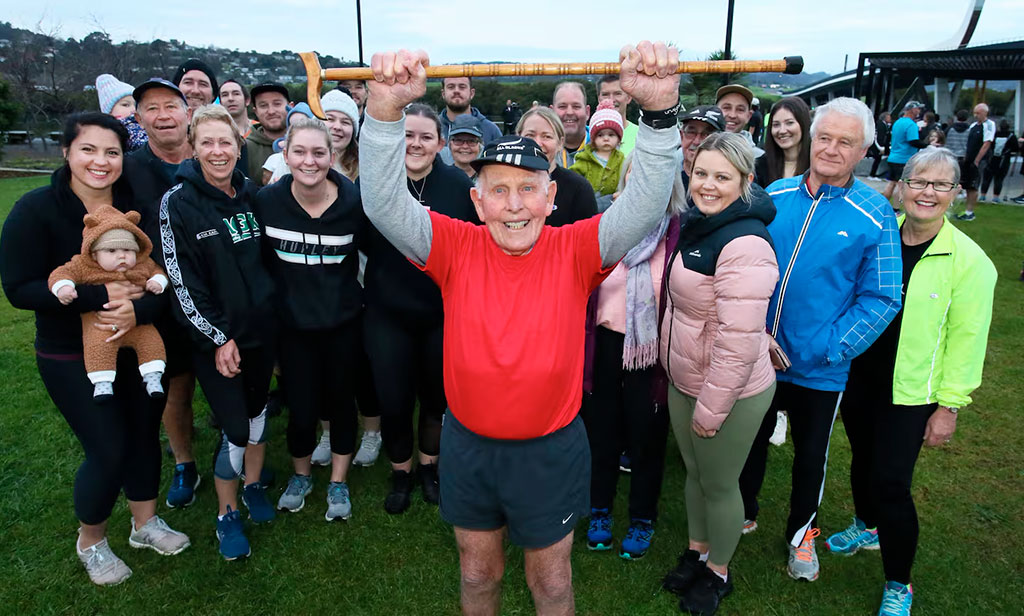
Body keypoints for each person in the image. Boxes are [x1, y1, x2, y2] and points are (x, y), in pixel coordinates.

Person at [359, 41, 680, 615]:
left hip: (549, 450)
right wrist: (384, 112)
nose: (513, 205)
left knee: (552, 582)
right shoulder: (454, 245)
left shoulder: (578, 248)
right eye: (499, 191)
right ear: (477, 201)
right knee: (478, 574)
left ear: (550, 197)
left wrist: (657, 115)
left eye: (528, 189)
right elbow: (384, 204)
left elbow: (646, 203)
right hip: (468, 445)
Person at [0, 112, 190, 586]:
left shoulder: (139, 211)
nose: (100, 161)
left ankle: (144, 523)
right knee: (107, 447)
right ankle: (92, 539)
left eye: (111, 152)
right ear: (66, 152)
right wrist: (100, 297)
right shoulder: (37, 209)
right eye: (88, 149)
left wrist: (138, 312)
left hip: (141, 347)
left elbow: (166, 281)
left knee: (145, 432)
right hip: (71, 352)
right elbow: (19, 288)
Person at [824, 147, 996, 616]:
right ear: (901, 187)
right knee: (862, 458)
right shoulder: (881, 238)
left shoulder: (971, 262)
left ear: (956, 194)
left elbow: (967, 341)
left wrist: (949, 406)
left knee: (892, 482)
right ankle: (867, 526)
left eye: (941, 185)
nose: (928, 192)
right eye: (919, 181)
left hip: (913, 392)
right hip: (861, 377)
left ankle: (899, 581)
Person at [737, 97, 902, 583]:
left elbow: (884, 297)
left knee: (811, 457)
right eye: (825, 137)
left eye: (845, 142)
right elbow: (746, 263)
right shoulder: (776, 195)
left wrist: (830, 346)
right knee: (750, 440)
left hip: (820, 364)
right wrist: (754, 330)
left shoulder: (875, 213)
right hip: (759, 352)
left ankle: (801, 534)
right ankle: (744, 508)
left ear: (864, 149)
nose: (831, 149)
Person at [659, 132, 779, 615]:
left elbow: (737, 342)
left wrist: (711, 407)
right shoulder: (700, 224)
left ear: (746, 181)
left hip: (729, 390)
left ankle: (718, 572)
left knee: (721, 483)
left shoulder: (745, 242)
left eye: (722, 177)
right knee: (695, 474)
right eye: (702, 173)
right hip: (686, 378)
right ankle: (698, 550)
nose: (707, 185)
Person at [159, 105, 278, 560]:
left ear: (238, 143)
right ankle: (226, 513)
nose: (217, 151)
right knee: (233, 427)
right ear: (193, 144)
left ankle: (252, 487)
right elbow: (182, 282)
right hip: (216, 340)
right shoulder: (179, 202)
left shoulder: (251, 195)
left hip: (261, 332)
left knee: (257, 413)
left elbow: (265, 264)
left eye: (224, 141)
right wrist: (217, 337)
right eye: (206, 142)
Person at [361, 103, 477, 515]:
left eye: (426, 136)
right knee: (393, 399)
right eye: (407, 134)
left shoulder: (459, 188)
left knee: (435, 398)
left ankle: (429, 466)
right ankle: (400, 471)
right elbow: (360, 241)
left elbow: (474, 246)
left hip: (439, 313)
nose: (415, 143)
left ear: (440, 143)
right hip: (386, 312)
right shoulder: (377, 185)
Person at [254, 116, 368, 521]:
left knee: (340, 402)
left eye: (318, 152)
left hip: (342, 323)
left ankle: (338, 479)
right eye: (299, 152)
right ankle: (301, 475)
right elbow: (258, 267)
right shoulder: (266, 203)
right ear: (284, 155)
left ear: (332, 156)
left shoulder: (354, 204)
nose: (309, 161)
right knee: (301, 407)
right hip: (292, 327)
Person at [582, 146, 686, 563]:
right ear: (626, 181)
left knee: (646, 440)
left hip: (652, 353)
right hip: (605, 346)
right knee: (601, 436)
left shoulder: (681, 232)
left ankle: (642, 517)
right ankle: (600, 511)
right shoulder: (605, 228)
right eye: (636, 176)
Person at [123, 78, 202, 509]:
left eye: (171, 105)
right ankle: (185, 462)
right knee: (177, 386)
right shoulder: (131, 168)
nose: (163, 115)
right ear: (139, 119)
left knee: (232, 377)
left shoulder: (215, 152)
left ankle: (242, 455)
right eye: (151, 108)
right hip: (162, 292)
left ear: (187, 111)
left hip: (214, 290)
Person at [48, 205, 168, 400]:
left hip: (139, 323)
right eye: (112, 250)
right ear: (94, 253)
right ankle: (102, 383)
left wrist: (157, 283)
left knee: (152, 342)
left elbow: (158, 272)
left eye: (128, 250)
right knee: (98, 347)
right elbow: (61, 273)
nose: (122, 256)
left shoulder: (142, 264)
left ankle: (153, 377)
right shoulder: (83, 265)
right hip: (101, 323)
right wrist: (64, 287)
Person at [517, 107, 598, 224]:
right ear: (518, 137)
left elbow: (587, 237)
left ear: (560, 143)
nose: (538, 143)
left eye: (547, 136)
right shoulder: (501, 184)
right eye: (530, 135)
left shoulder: (578, 188)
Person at [570, 99, 624, 198]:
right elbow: (572, 176)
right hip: (588, 203)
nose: (606, 139)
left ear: (618, 138)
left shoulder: (621, 159)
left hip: (613, 203)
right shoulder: (584, 158)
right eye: (600, 135)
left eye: (611, 135)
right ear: (593, 138)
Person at [756, 97, 811, 187]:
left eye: (789, 123)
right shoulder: (760, 166)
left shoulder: (818, 164)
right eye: (776, 125)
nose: (782, 131)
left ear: (803, 124)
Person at [956, 103, 997, 221]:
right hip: (968, 159)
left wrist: (977, 160)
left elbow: (987, 143)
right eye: (974, 113)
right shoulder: (973, 125)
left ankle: (970, 212)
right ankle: (966, 210)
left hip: (978, 160)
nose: (975, 115)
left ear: (984, 113)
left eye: (978, 113)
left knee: (974, 185)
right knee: (967, 185)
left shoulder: (989, 125)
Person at [881, 101, 927, 202]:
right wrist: (927, 145)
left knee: (891, 183)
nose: (919, 111)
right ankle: (896, 209)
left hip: (893, 157)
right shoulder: (911, 125)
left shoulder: (898, 122)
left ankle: (883, 204)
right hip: (904, 159)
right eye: (918, 109)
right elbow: (913, 141)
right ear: (912, 110)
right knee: (901, 185)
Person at [246, 82, 290, 185]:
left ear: (290, 106)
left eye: (277, 104)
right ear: (255, 111)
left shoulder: (306, 144)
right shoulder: (245, 148)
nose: (271, 111)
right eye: (263, 106)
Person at [438, 76, 502, 146]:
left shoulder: (491, 130)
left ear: (472, 93)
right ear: (443, 94)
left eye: (462, 87)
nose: (456, 91)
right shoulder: (432, 128)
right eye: (451, 87)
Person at [96, 74, 146, 151]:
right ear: (109, 111)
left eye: (136, 105)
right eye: (125, 105)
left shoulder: (143, 122)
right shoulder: (128, 128)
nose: (133, 109)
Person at [679, 106, 725, 183]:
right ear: (681, 136)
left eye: (707, 134)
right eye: (691, 132)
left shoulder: (730, 182)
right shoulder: (664, 172)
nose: (697, 141)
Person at [715, 84, 764, 157]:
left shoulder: (760, 159)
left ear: (748, 116)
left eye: (740, 109)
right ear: (715, 111)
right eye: (726, 108)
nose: (732, 115)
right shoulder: (699, 149)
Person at [597, 75, 640, 155]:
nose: (611, 99)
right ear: (599, 99)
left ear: (628, 98)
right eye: (605, 94)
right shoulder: (589, 136)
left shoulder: (640, 136)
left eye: (617, 93)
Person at [551, 82, 591, 165]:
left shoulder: (605, 147)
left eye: (576, 106)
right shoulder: (541, 149)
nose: (569, 112)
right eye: (562, 106)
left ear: (587, 112)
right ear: (552, 112)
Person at [980, 120, 1019, 202]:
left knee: (987, 178)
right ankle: (995, 197)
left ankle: (983, 196)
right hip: (1003, 160)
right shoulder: (1011, 136)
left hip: (992, 159)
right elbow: (1015, 148)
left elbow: (989, 145)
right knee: (999, 179)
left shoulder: (994, 134)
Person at [448, 114, 484, 179]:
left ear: (480, 146)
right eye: (458, 140)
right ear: (450, 144)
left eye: (471, 141)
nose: (465, 146)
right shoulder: (440, 178)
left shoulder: (488, 179)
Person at [868, 111, 891, 178]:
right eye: (888, 117)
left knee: (877, 160)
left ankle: (873, 174)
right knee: (877, 159)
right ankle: (872, 174)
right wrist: (881, 147)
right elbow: (879, 137)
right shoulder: (881, 125)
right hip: (878, 145)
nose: (890, 119)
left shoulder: (883, 125)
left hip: (879, 145)